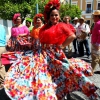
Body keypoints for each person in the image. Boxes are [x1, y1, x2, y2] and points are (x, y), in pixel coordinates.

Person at [3, 0, 98, 100]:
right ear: (49, 16)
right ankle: (44, 93)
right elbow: (40, 39)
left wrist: (61, 46)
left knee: (61, 72)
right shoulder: (44, 27)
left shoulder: (61, 25)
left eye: (56, 15)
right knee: (39, 73)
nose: (54, 17)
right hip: (42, 54)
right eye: (52, 15)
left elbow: (72, 36)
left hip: (55, 54)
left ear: (59, 16)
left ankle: (62, 92)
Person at [0, 24, 6, 90]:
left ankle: (2, 83)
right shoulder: (2, 26)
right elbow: (4, 37)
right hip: (2, 47)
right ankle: (3, 82)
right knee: (1, 65)